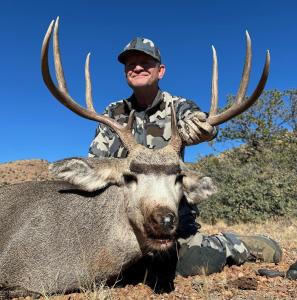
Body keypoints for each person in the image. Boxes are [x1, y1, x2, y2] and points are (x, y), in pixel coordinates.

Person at [88, 37, 282, 289]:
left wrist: (201, 129)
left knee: (188, 263)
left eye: (145, 62)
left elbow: (201, 123)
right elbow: (96, 161)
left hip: (169, 211)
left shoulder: (177, 106)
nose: (136, 68)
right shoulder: (113, 113)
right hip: (122, 215)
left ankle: (236, 244)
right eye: (131, 64)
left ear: (161, 70)